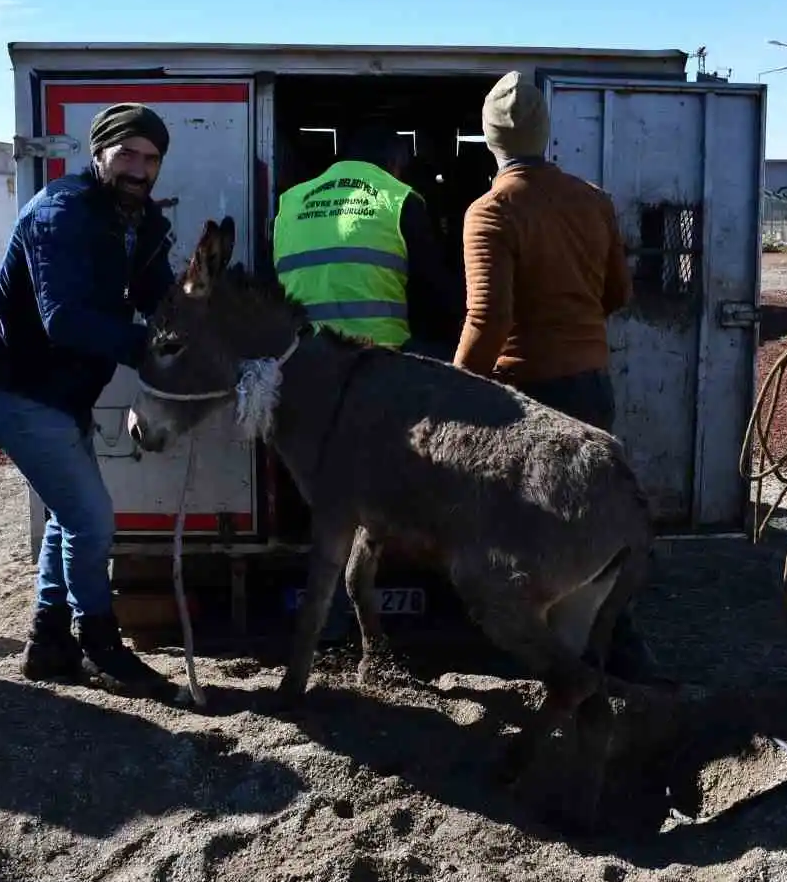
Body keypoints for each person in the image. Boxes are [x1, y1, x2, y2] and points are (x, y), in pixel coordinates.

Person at [0, 104, 181, 702]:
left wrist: (201, 324)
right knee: (91, 520)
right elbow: (63, 318)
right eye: (127, 154)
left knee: (67, 517)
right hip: (14, 390)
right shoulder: (62, 213)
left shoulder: (138, 220)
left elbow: (158, 295)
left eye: (152, 158)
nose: (140, 169)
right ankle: (101, 645)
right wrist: (152, 351)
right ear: (99, 154)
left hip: (60, 395)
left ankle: (48, 641)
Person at [453, 71, 657, 680]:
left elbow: (488, 320)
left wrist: (454, 391)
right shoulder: (593, 200)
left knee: (526, 538)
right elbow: (618, 292)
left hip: (527, 401)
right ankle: (618, 647)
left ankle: (540, 663)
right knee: (593, 525)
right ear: (546, 134)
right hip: (591, 386)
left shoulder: (491, 212)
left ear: (489, 140)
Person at [271, 123, 464, 360]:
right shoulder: (398, 199)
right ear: (395, 165)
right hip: (378, 358)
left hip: (303, 356)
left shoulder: (290, 201)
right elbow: (433, 290)